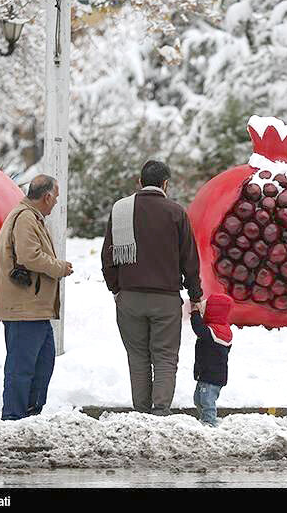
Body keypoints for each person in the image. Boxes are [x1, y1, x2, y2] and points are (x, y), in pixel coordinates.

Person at [101, 160, 203, 416]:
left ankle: (142, 411)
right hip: (166, 299)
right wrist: (195, 294)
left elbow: (108, 256)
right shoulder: (176, 212)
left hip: (130, 297)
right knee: (165, 357)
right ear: (165, 184)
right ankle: (160, 410)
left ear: (139, 181)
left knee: (137, 357)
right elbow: (189, 259)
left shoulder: (120, 210)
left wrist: (117, 288)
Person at [0, 174, 73, 421]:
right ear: (47, 196)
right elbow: (30, 256)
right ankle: (14, 418)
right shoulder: (26, 218)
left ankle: (29, 414)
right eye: (55, 198)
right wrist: (59, 267)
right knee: (22, 368)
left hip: (34, 309)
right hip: (24, 309)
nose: (55, 203)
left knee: (42, 363)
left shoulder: (30, 216)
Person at [191, 294, 233, 427]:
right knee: (198, 399)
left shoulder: (213, 332)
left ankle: (210, 423)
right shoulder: (221, 330)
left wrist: (195, 313)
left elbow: (198, 328)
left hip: (210, 376)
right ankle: (205, 420)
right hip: (208, 374)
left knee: (207, 401)